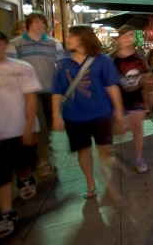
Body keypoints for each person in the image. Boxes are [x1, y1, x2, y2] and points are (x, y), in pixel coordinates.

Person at [51, 25, 123, 200]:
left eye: (72, 36)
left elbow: (112, 86)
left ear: (83, 38)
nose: (68, 39)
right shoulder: (62, 62)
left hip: (101, 113)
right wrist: (55, 115)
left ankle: (109, 180)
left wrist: (119, 111)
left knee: (105, 151)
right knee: (83, 151)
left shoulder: (103, 60)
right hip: (74, 115)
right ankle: (90, 183)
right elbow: (57, 90)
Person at [0, 29, 40, 239]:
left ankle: (25, 178)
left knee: (22, 162)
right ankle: (6, 213)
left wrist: (28, 126)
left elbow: (31, 99)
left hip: (19, 127)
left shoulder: (22, 68)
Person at [6, 12, 64, 178]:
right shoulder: (16, 44)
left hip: (51, 89)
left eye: (42, 22)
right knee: (41, 126)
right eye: (36, 22)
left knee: (50, 123)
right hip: (30, 92)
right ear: (29, 24)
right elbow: (9, 68)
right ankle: (42, 160)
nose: (40, 25)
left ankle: (41, 150)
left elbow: (60, 65)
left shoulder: (54, 43)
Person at [111, 25, 153, 173]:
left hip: (136, 99)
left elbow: (146, 78)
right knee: (117, 130)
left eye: (130, 35)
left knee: (137, 128)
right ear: (118, 38)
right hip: (117, 100)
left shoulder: (138, 59)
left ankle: (138, 158)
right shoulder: (111, 59)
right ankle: (110, 151)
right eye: (125, 35)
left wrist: (149, 92)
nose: (128, 38)